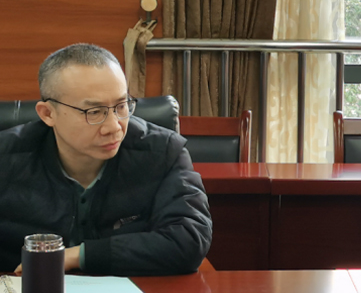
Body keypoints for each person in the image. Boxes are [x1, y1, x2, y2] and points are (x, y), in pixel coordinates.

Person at [0, 44, 212, 275]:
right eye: (94, 112)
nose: (114, 127)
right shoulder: (6, 157)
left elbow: (190, 239)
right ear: (48, 114)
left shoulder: (164, 152)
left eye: (121, 106)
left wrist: (77, 256)